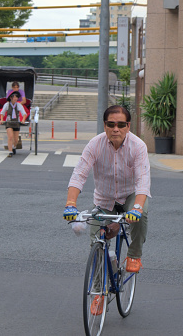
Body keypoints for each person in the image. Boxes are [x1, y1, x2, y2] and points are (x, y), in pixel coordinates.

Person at [63, 105, 151, 275]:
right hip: (104, 198)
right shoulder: (95, 144)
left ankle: (134, 254)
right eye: (111, 125)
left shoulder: (138, 146)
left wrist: (138, 208)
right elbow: (79, 175)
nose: (115, 129)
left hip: (130, 196)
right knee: (96, 247)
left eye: (121, 125)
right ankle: (98, 295)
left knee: (143, 213)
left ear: (128, 126)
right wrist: (70, 203)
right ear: (105, 126)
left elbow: (143, 181)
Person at [0, 91, 26, 157]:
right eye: (15, 97)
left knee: (16, 139)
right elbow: (2, 113)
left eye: (17, 97)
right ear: (11, 97)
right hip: (9, 123)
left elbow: (24, 113)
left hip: (16, 123)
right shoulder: (7, 104)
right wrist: (2, 119)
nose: (16, 98)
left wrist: (23, 120)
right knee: (10, 137)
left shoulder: (19, 105)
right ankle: (10, 151)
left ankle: (14, 147)